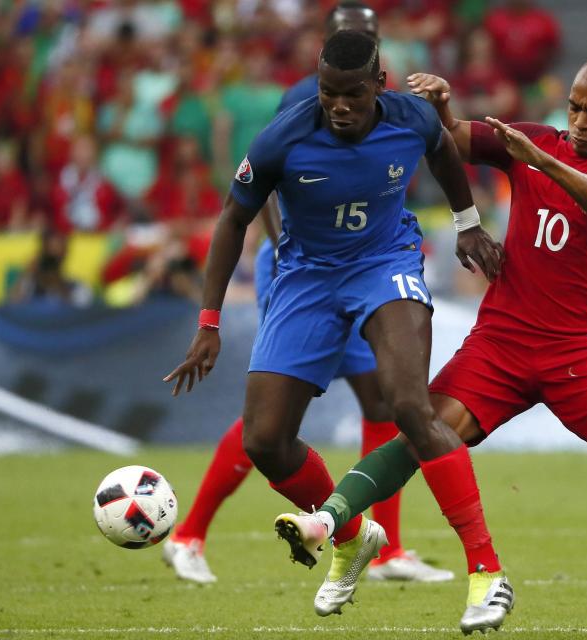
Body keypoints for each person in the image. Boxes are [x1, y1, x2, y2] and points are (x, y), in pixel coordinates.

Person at [285, 56, 587, 640]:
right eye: (574, 106)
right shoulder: (537, 138)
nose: (579, 121)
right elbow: (455, 140)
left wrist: (542, 162)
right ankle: (331, 522)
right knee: (422, 432)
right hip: (501, 342)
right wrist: (444, 105)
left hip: (578, 347)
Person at [163, 28, 505, 627]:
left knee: (407, 405)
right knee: (265, 439)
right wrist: (209, 321)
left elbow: (446, 154)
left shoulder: (412, 118)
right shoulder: (283, 136)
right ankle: (352, 537)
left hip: (385, 264)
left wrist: (468, 221)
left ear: (379, 84)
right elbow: (232, 218)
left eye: (351, 94)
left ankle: (486, 573)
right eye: (328, 94)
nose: (339, 106)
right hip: (307, 276)